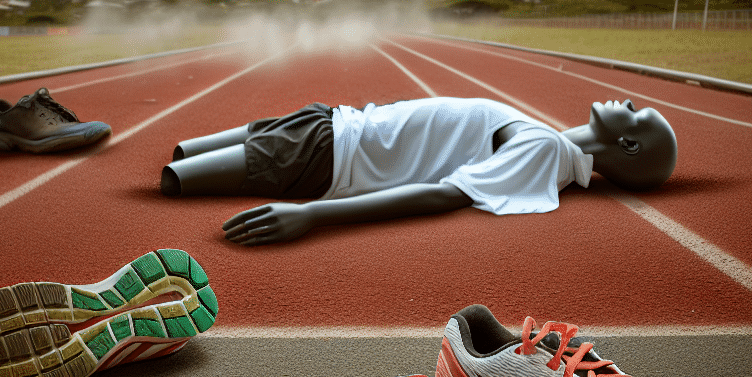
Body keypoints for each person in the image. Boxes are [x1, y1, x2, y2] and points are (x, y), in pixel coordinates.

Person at [160, 97, 677, 245]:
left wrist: (314, 214)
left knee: (175, 178)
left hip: (327, 155)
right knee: (183, 158)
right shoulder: (550, 140)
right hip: (332, 122)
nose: (627, 101)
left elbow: (444, 194)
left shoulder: (544, 151)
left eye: (636, 114)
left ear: (627, 144)